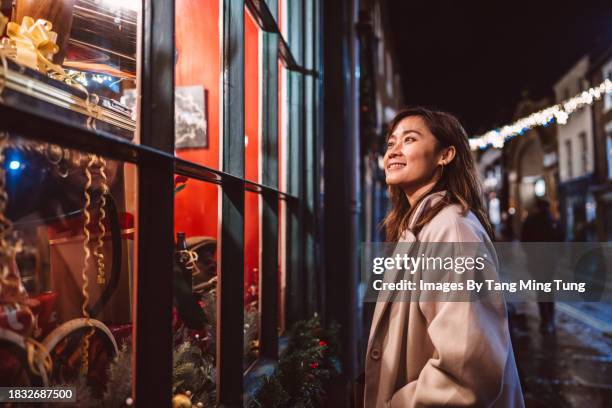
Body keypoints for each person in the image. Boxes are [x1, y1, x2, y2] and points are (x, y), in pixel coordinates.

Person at [364, 107, 524, 407]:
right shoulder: (420, 227)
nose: (394, 151)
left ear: (445, 155)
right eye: (390, 143)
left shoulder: (452, 230)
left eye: (409, 139)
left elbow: (467, 373)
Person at [520, 198, 561, 334]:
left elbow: (524, 240)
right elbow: (561, 238)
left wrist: (530, 254)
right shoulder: (553, 221)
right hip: (550, 261)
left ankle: (545, 319)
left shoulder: (531, 221)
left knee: (541, 289)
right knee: (549, 288)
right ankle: (550, 318)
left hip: (536, 260)